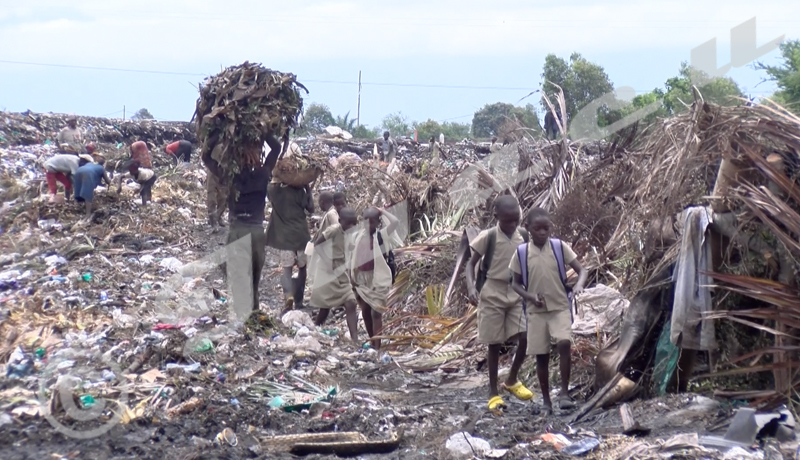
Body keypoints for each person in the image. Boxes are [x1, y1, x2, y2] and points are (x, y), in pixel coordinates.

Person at [510, 207, 587, 414]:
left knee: (564, 343)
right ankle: (546, 401)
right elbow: (515, 283)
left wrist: (579, 285)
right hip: (536, 312)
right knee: (541, 355)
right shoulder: (522, 252)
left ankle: (564, 393)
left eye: (546, 228)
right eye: (538, 229)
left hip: (560, 306)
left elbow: (582, 270)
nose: (543, 233)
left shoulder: (559, 247)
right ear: (528, 229)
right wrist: (529, 297)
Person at [465, 195, 533, 411]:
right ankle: (493, 393)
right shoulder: (489, 236)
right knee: (493, 343)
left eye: (516, 220)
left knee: (524, 336)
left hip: (515, 291)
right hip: (492, 291)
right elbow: (470, 264)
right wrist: (471, 287)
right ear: (497, 217)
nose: (512, 225)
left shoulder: (523, 236)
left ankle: (512, 379)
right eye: (508, 220)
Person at [202, 133, 283, 313]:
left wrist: (217, 133)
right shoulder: (263, 174)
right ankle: (253, 311)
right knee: (255, 277)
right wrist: (266, 130)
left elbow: (206, 157)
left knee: (239, 276)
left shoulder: (231, 176)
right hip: (256, 231)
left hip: (237, 230)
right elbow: (276, 148)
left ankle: (241, 313)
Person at [266, 141, 314, 312]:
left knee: (286, 270)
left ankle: (288, 297)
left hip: (284, 238)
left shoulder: (274, 191)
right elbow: (311, 209)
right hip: (301, 236)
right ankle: (299, 300)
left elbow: (271, 182)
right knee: (302, 269)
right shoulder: (299, 192)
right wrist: (308, 188)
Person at [350, 206, 400, 350]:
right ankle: (373, 342)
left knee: (376, 312)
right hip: (361, 279)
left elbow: (395, 222)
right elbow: (351, 258)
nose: (368, 224)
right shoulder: (357, 236)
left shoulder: (382, 235)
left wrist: (382, 211)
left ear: (378, 223)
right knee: (365, 311)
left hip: (378, 278)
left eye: (372, 222)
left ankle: (378, 348)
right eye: (366, 221)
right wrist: (351, 277)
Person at [311, 208, 359, 342]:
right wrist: (328, 262)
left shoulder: (352, 233)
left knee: (350, 302)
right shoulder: (333, 230)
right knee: (325, 306)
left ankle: (355, 339)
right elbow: (317, 245)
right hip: (326, 270)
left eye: (353, 224)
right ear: (340, 221)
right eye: (348, 224)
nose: (351, 227)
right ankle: (316, 329)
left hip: (341, 271)